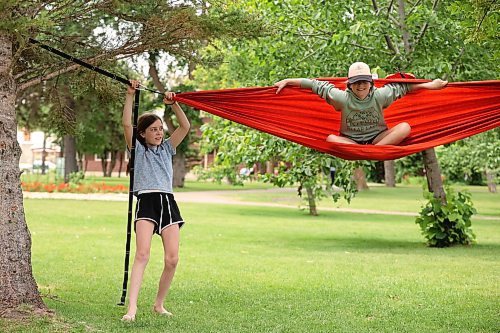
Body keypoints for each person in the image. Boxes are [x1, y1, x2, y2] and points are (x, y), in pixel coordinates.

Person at [121, 80, 190, 322]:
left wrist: (174, 104)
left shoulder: (168, 148)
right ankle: (132, 308)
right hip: (147, 202)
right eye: (153, 129)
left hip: (168, 203)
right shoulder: (137, 149)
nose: (159, 132)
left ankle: (158, 305)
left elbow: (185, 125)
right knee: (142, 254)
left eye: (160, 128)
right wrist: (130, 94)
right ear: (143, 134)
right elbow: (126, 124)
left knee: (172, 259)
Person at [274, 62, 448, 145]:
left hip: (378, 138)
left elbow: (404, 88)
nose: (361, 85)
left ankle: (375, 150)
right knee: (330, 139)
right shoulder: (342, 98)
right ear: (349, 84)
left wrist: (431, 85)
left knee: (405, 127)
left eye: (364, 81)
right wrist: (288, 81)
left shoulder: (380, 95)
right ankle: (369, 151)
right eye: (356, 82)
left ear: (371, 83)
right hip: (351, 141)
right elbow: (315, 85)